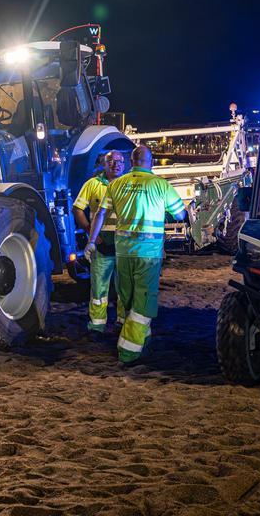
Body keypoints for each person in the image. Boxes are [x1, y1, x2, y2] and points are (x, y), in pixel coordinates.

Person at [87, 145, 188, 363]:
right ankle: (129, 349)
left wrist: (91, 241)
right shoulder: (161, 185)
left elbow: (100, 213)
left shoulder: (116, 184)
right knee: (144, 301)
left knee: (127, 296)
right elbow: (180, 214)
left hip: (123, 251)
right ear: (150, 162)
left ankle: (141, 336)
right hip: (148, 253)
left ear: (131, 161)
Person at [73, 150, 126, 337]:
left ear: (125, 164)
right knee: (99, 288)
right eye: (111, 161)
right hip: (102, 244)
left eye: (119, 161)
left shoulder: (127, 185)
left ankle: (122, 321)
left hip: (123, 244)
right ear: (104, 164)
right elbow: (77, 208)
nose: (115, 165)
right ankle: (97, 324)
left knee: (124, 287)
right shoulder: (93, 184)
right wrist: (90, 232)